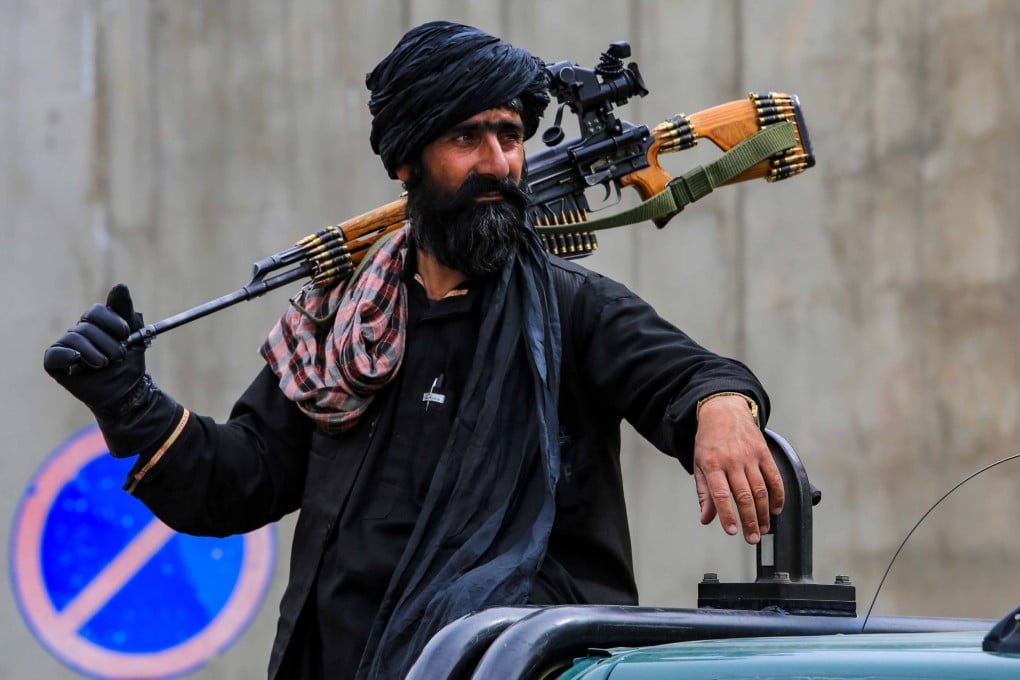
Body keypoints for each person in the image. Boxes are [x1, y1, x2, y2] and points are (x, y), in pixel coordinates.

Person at [44, 21, 784, 680]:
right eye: (467, 139)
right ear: (407, 162)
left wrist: (721, 407)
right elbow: (243, 480)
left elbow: (687, 376)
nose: (498, 162)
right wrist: (131, 404)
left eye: (510, 136)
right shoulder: (341, 323)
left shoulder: (573, 308)